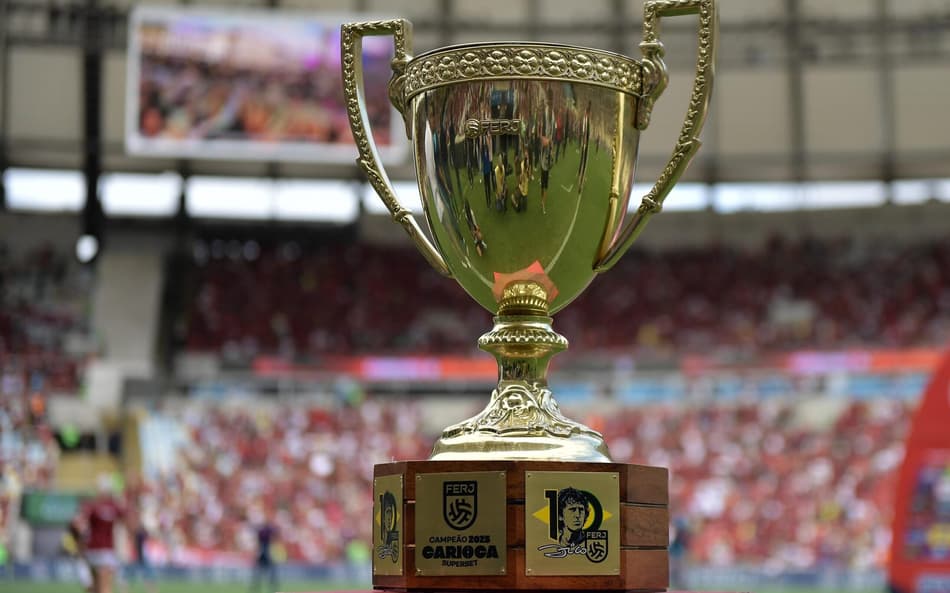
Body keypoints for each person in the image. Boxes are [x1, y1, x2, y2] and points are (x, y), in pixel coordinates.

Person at [75, 475, 126, 593]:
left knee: (95, 587)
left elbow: (80, 523)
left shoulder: (93, 505)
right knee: (105, 587)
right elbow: (125, 518)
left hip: (93, 550)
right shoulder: (114, 506)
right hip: (107, 550)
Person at [250, 519, 279, 593]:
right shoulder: (266, 532)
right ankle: (272, 587)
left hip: (263, 551)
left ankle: (256, 587)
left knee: (260, 572)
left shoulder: (262, 531)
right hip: (265, 552)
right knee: (269, 571)